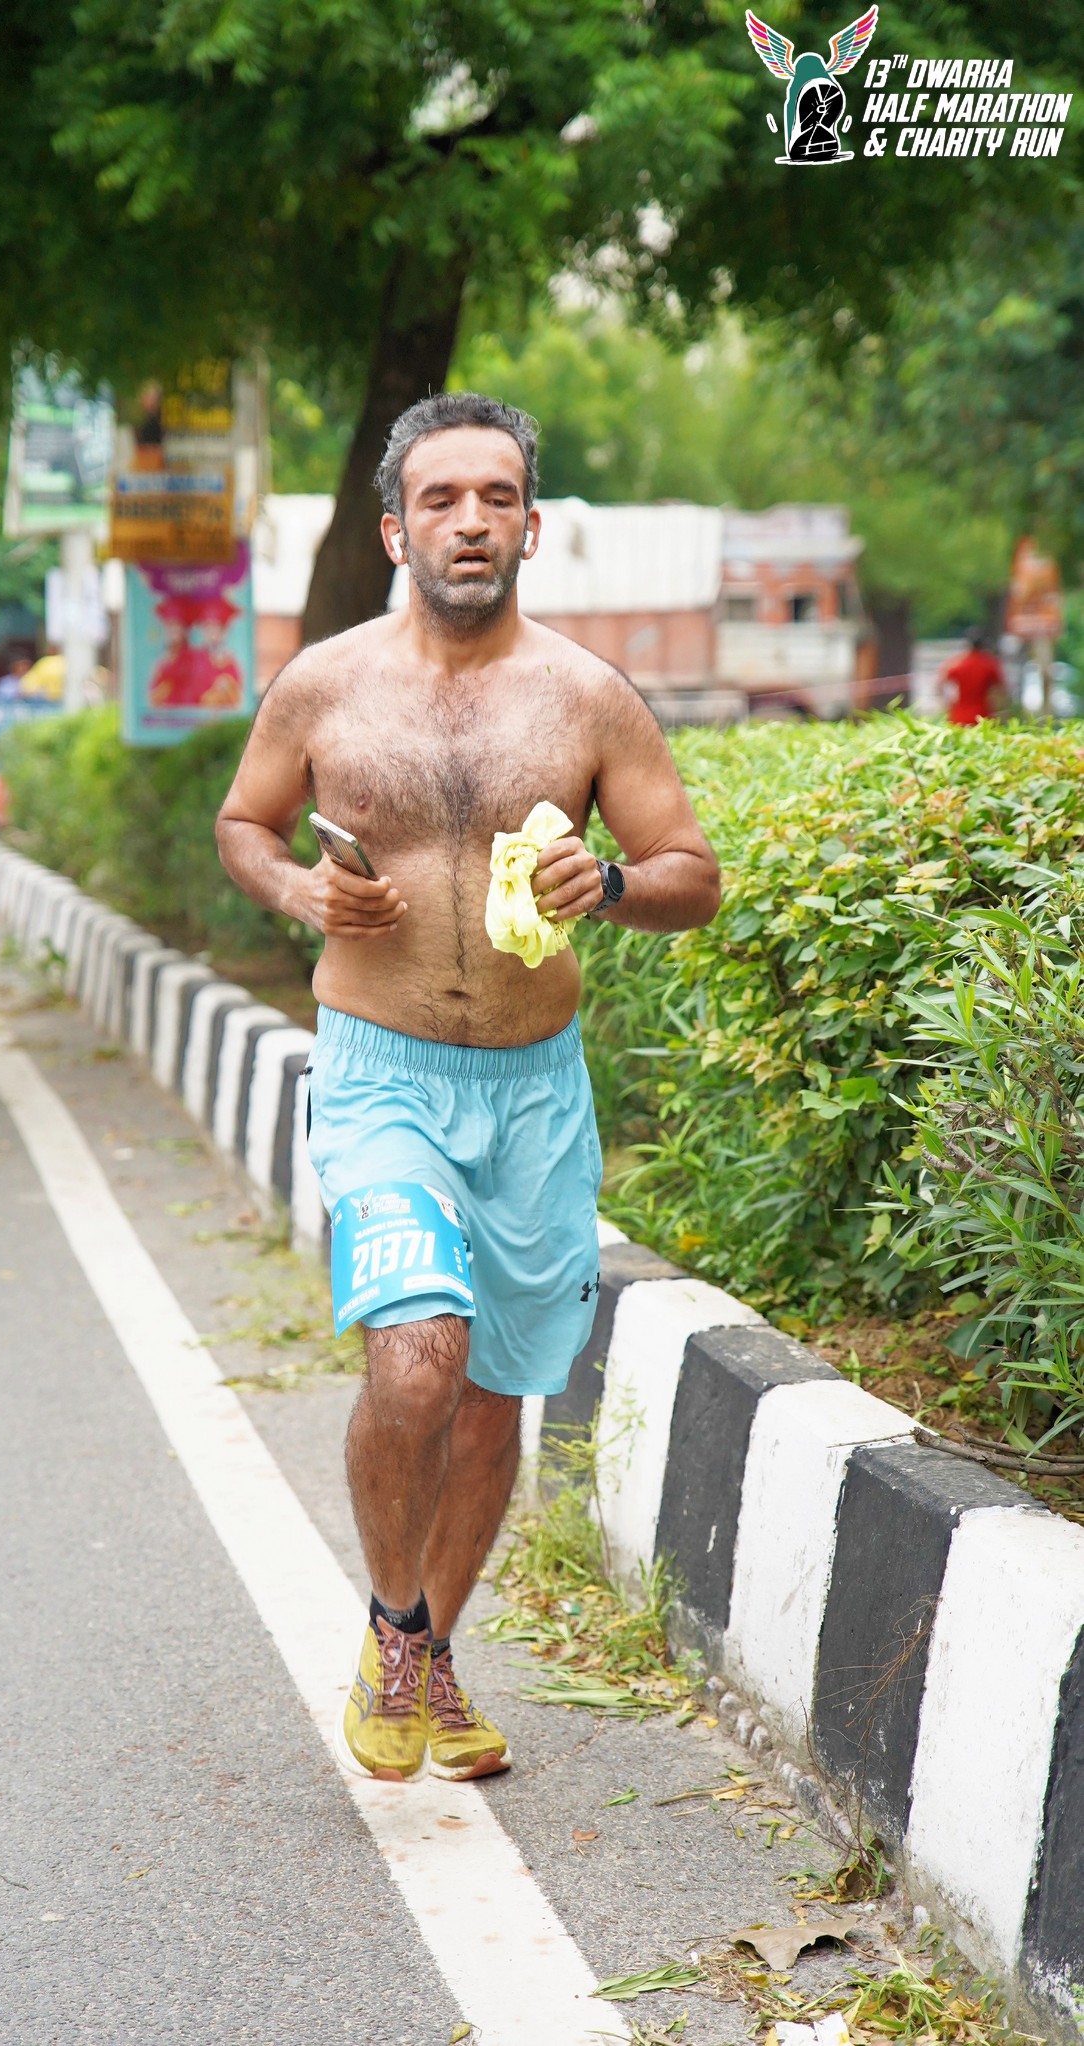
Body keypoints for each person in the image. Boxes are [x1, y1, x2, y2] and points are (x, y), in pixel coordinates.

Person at [215, 393, 720, 1783]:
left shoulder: (586, 697)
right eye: (440, 499)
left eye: (496, 497)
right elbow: (245, 822)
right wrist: (299, 890)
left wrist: (606, 882)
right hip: (379, 1074)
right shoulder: (324, 685)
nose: (470, 521)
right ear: (395, 530)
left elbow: (691, 875)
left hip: (535, 1092)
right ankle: (393, 1630)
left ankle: (435, 1651)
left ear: (531, 527)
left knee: (495, 1391)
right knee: (418, 1354)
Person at [942, 633, 1006, 726]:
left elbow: (940, 684)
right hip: (982, 715)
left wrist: (948, 704)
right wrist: (996, 706)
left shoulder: (958, 663)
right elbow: (1001, 690)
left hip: (959, 715)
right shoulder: (989, 664)